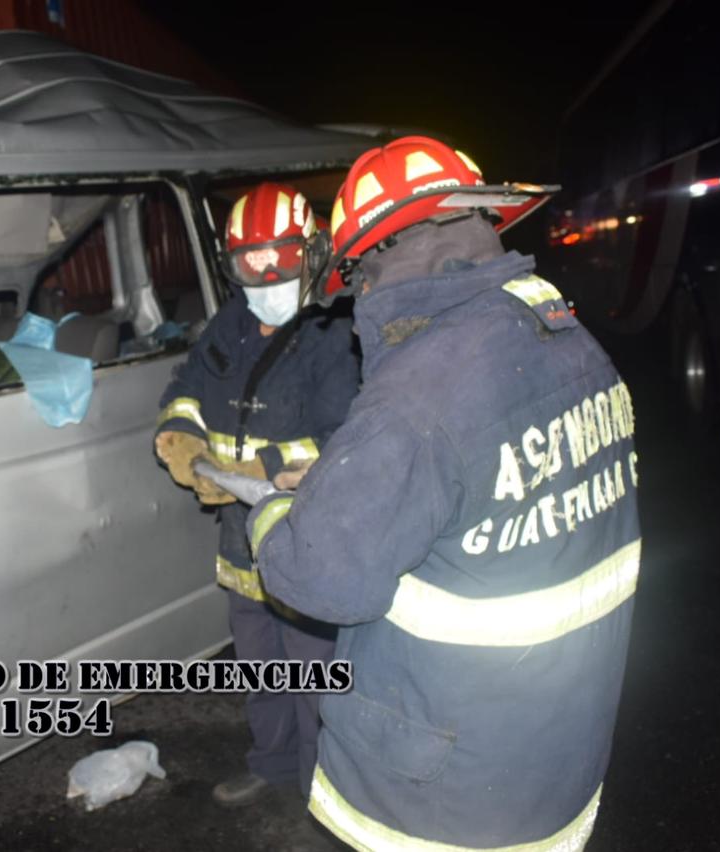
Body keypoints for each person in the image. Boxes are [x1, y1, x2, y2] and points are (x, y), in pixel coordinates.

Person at [245, 137, 641, 850]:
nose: (359, 297)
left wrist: (276, 512)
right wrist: (355, 482)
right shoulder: (573, 345)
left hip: (443, 792)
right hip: (551, 759)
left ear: (382, 257)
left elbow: (320, 576)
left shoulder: (417, 395)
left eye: (358, 274)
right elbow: (474, 481)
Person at [154, 181, 360, 806]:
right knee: (262, 669)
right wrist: (180, 432)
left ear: (312, 253)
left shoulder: (339, 333)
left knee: (315, 676)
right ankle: (271, 765)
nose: (267, 274)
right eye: (251, 261)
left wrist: (254, 468)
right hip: (241, 547)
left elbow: (344, 439)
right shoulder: (231, 323)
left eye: (281, 257)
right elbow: (186, 387)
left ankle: (323, 786)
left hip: (305, 543)